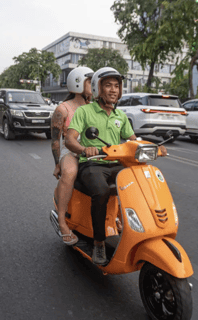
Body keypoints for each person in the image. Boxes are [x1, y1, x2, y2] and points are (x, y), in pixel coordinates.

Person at [65, 67, 167, 265]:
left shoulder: (121, 116)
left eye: (117, 86)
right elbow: (70, 139)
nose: (113, 90)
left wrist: (154, 147)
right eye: (108, 85)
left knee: (141, 185)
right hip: (93, 164)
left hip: (117, 163)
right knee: (101, 191)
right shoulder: (84, 112)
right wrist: (85, 149)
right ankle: (99, 243)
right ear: (97, 89)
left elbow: (133, 141)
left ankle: (137, 228)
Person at [51, 66, 94, 246]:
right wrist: (58, 163)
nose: (94, 85)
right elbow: (55, 141)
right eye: (90, 82)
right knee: (69, 173)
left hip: (94, 150)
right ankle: (62, 222)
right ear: (77, 83)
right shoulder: (63, 109)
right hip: (71, 151)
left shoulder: (96, 107)